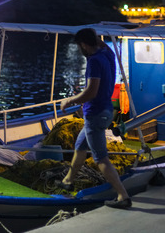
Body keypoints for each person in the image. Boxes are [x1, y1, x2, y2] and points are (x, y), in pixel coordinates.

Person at [58, 28, 131, 209]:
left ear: (83, 44)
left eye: (80, 45)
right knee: (80, 146)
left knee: (101, 158)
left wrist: (69, 101)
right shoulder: (108, 55)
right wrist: (93, 36)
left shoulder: (94, 62)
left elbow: (91, 91)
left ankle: (123, 196)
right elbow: (101, 44)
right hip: (106, 110)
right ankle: (68, 180)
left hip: (95, 114)